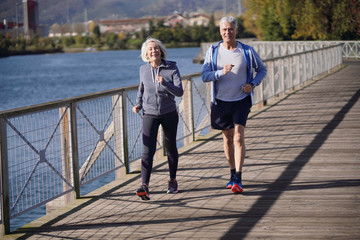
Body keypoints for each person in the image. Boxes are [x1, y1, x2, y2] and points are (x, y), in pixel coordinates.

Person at [201, 16, 267, 194]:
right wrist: (220, 72)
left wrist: (252, 84)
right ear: (220, 31)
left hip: (241, 101)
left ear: (236, 30)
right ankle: (232, 174)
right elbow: (205, 75)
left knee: (238, 137)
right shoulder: (213, 51)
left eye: (230, 29)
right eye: (224, 29)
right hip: (221, 101)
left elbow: (262, 70)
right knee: (227, 139)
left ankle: (238, 176)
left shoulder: (247, 51)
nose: (227, 32)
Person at [133, 37, 184, 200]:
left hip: (169, 113)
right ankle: (144, 186)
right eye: (150, 49)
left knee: (170, 148)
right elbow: (141, 90)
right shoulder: (143, 70)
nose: (154, 51)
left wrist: (165, 83)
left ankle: (172, 181)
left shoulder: (172, 68)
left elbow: (180, 92)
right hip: (149, 114)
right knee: (147, 150)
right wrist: (138, 105)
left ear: (161, 51)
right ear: (146, 53)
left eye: (156, 48)